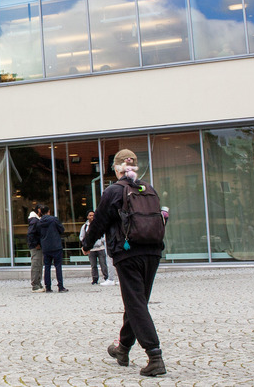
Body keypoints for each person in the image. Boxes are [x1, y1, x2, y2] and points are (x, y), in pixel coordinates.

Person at [82, 149, 167, 377]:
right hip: (153, 252)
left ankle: (154, 355)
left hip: (127, 252)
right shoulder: (148, 188)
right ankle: (123, 349)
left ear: (117, 169)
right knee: (137, 301)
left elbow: (99, 221)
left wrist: (87, 243)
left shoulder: (114, 191)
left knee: (136, 303)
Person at [38, 206, 67, 293]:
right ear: (49, 211)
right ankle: (60, 286)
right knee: (58, 266)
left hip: (46, 247)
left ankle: (48, 287)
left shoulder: (39, 222)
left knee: (47, 267)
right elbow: (61, 229)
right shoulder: (54, 220)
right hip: (56, 245)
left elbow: (38, 234)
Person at [79, 211, 111, 285]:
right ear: (87, 217)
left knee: (103, 264)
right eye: (90, 215)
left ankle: (106, 277)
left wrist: (101, 241)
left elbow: (104, 235)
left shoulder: (99, 225)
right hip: (91, 249)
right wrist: (86, 243)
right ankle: (95, 279)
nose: (92, 217)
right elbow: (81, 236)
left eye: (93, 215)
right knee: (93, 265)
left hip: (100, 248)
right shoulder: (85, 226)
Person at [27, 204, 45, 292]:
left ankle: (38, 283)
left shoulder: (36, 220)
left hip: (38, 245)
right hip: (36, 247)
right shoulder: (34, 221)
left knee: (39, 264)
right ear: (38, 210)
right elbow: (31, 234)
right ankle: (35, 285)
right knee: (36, 264)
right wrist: (35, 244)